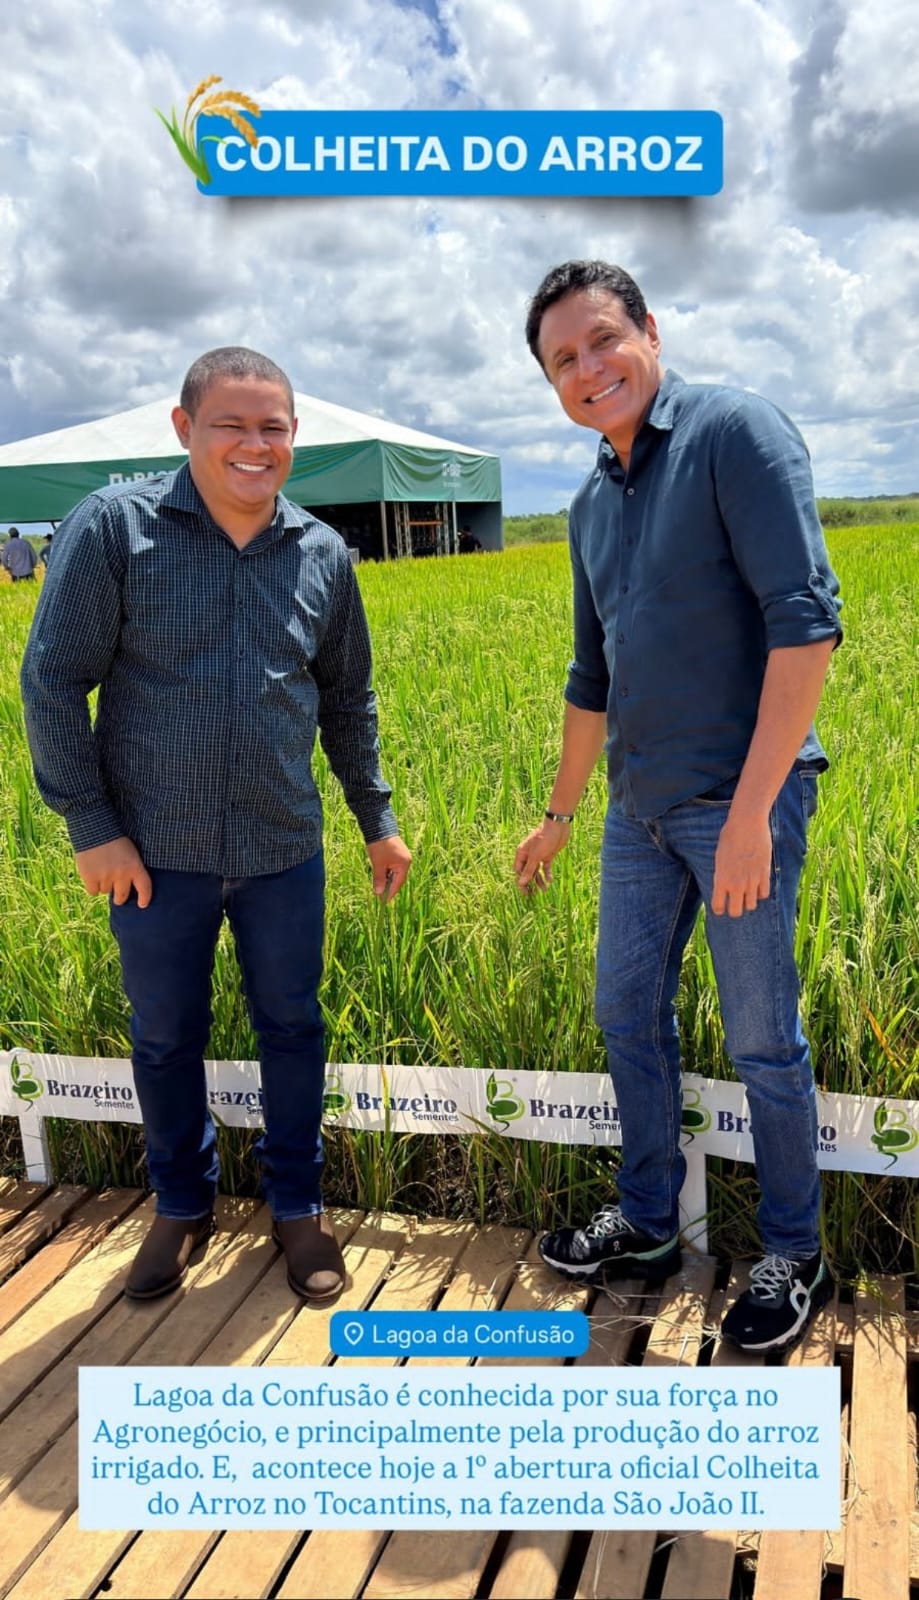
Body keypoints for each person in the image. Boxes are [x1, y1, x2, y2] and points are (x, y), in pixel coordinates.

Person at [21, 347, 411, 1304]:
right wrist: (92, 827)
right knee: (164, 1036)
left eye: (272, 426)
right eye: (231, 424)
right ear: (183, 428)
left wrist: (376, 819)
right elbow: (53, 680)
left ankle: (296, 1209)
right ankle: (181, 1206)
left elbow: (346, 699)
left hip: (283, 848)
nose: (253, 443)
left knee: (293, 1026)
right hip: (155, 855)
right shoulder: (116, 530)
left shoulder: (319, 552)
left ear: (291, 437)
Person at [514, 261, 842, 1355]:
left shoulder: (734, 435)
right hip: (637, 817)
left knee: (761, 1039)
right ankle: (650, 1225)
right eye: (563, 360)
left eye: (602, 340)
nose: (588, 368)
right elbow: (588, 677)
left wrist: (752, 812)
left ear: (649, 329)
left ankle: (795, 1252)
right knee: (625, 1017)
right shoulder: (586, 505)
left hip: (739, 802)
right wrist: (559, 816)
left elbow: (806, 628)